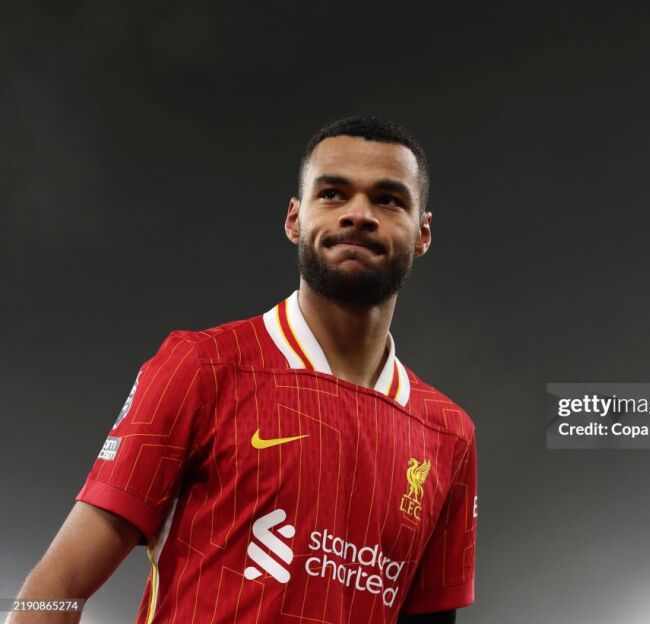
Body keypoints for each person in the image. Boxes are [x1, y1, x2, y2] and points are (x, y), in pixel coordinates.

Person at [9, 116, 477, 624]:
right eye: (332, 194)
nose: (359, 214)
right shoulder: (202, 367)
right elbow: (56, 589)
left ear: (423, 233)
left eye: (387, 199)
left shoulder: (448, 435)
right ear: (294, 219)